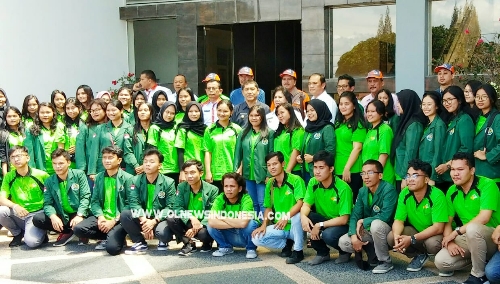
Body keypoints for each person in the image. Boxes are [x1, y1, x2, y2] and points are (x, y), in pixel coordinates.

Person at [434, 152, 500, 283]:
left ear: (472, 170)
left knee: (473, 228)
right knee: (441, 262)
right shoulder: (452, 190)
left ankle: (478, 275)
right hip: (470, 236)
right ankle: (479, 260)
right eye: (452, 169)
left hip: (492, 235)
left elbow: (484, 218)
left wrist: (456, 232)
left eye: (460, 169)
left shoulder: (487, 185)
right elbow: (448, 221)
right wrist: (450, 241)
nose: (455, 173)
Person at [387, 159, 448, 272]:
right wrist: (396, 237)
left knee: (432, 244)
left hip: (436, 235)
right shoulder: (405, 193)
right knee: (392, 236)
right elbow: (399, 220)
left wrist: (411, 239)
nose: (410, 179)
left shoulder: (437, 195)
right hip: (417, 232)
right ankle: (420, 255)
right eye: (408, 175)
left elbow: (438, 227)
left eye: (415, 176)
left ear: (426, 179)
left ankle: (445, 261)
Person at [338, 160, 397, 274]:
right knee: (344, 242)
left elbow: (385, 216)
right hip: (368, 230)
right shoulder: (362, 191)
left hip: (387, 230)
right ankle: (372, 253)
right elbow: (355, 215)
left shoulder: (388, 189)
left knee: (376, 225)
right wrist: (354, 236)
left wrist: (363, 221)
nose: (365, 177)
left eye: (370, 173)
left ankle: (385, 262)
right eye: (363, 173)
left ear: (380, 175)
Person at [73, 146, 134, 255]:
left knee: (112, 249)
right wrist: (101, 217)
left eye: (110, 157)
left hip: (119, 219)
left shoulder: (128, 178)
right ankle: (108, 236)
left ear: (119, 160)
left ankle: (116, 236)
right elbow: (95, 201)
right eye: (104, 157)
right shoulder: (99, 177)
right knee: (78, 229)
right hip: (103, 217)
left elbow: (130, 204)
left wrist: (113, 221)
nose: (106, 160)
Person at [252, 151, 306, 264]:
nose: (272, 167)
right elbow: (268, 208)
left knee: (296, 216)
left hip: (296, 227)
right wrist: (264, 225)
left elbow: (300, 203)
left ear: (283, 164)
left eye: (275, 164)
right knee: (256, 238)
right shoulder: (270, 183)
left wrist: (286, 217)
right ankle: (287, 244)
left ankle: (298, 251)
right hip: (280, 226)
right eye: (269, 165)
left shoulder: (296, 180)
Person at [301, 151, 353, 265]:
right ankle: (322, 253)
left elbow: (344, 219)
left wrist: (319, 225)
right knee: (306, 217)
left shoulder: (343, 188)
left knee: (328, 235)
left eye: (321, 167)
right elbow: (306, 204)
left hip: (343, 225)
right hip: (325, 220)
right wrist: (303, 217)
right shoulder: (313, 182)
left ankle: (344, 252)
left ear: (331, 169)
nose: (317, 171)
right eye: (315, 167)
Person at [120, 148, 176, 254]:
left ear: (159, 165)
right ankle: (139, 241)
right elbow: (134, 202)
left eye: (151, 162)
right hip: (143, 217)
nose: (147, 164)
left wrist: (154, 221)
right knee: (125, 214)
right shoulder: (134, 180)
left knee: (162, 234)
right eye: (145, 161)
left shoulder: (169, 182)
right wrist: (145, 221)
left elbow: (170, 206)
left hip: (159, 217)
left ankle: (163, 240)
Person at [32, 149, 91, 246]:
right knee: (38, 219)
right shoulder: (49, 181)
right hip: (63, 215)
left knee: (90, 219)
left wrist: (80, 215)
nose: (57, 167)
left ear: (68, 162)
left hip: (80, 213)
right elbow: (47, 203)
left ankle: (80, 231)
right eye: (54, 163)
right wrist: (53, 216)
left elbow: (86, 197)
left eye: (61, 163)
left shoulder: (79, 174)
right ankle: (68, 232)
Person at [0, 145, 50, 248]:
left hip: (36, 214)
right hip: (19, 213)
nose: (16, 159)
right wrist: (15, 206)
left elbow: (52, 196)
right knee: (1, 211)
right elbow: (2, 199)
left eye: (19, 156)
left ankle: (41, 231)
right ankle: (17, 233)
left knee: (32, 243)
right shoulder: (9, 177)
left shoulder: (41, 175)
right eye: (12, 157)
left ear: (28, 157)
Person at [166, 160, 219, 256]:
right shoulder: (181, 187)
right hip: (188, 220)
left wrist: (200, 225)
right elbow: (177, 207)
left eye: (192, 172)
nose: (189, 176)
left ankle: (207, 243)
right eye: (186, 173)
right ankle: (189, 243)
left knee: (204, 234)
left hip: (204, 222)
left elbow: (212, 211)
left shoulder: (212, 189)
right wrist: (192, 217)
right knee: (171, 218)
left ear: (201, 173)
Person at [207, 172, 260, 259]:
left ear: (239, 188)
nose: (228, 189)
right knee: (210, 225)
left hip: (245, 235)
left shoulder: (246, 199)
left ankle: (251, 248)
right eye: (226, 186)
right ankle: (225, 247)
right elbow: (211, 221)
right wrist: (236, 222)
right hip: (231, 233)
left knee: (250, 224)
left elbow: (243, 224)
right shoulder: (220, 198)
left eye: (232, 186)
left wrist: (222, 217)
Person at [234, 105, 274, 216]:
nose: (254, 118)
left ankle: (264, 227)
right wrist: (236, 171)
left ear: (262, 117)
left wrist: (269, 174)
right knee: (252, 203)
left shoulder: (269, 133)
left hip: (262, 175)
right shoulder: (243, 133)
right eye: (251, 115)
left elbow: (271, 155)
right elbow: (238, 154)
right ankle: (253, 226)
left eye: (257, 115)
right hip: (247, 175)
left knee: (263, 203)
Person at [435, 86, 474, 190]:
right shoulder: (451, 118)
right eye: (444, 101)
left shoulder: (464, 119)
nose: (447, 103)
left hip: (458, 175)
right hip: (447, 175)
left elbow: (466, 148)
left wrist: (448, 165)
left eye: (450, 99)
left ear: (460, 100)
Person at [87, 100, 133, 181]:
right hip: (103, 168)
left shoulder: (130, 128)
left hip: (123, 168)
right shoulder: (100, 128)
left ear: (121, 111)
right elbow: (94, 150)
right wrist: (92, 171)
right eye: (108, 110)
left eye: (113, 110)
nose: (110, 113)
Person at [334, 91, 367, 201]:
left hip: (351, 170)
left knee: (351, 202)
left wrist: (347, 168)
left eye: (346, 104)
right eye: (341, 104)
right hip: (337, 168)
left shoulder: (358, 124)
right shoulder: (339, 123)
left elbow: (357, 148)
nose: (343, 107)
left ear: (354, 105)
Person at [204, 100, 242, 191]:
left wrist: (240, 168)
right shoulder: (209, 130)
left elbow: (243, 152)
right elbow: (208, 152)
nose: (222, 113)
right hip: (216, 173)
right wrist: (208, 172)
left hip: (233, 172)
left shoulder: (237, 129)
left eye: (225, 111)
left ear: (231, 112)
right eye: (219, 110)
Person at [391, 89, 425, 191]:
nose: (397, 105)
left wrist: (406, 176)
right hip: (399, 172)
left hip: (405, 175)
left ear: (407, 103)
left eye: (399, 102)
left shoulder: (414, 125)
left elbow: (411, 152)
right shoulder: (405, 121)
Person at [297, 100, 335, 184]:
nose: (309, 113)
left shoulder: (327, 128)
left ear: (320, 110)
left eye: (312, 110)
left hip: (320, 173)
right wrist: (302, 157)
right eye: (307, 111)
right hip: (307, 171)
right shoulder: (308, 128)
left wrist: (313, 158)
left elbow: (330, 151)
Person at [25, 102, 66, 175]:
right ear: (38, 113)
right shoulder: (31, 129)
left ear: (53, 113)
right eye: (42, 112)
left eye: (48, 112)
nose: (45, 115)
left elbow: (62, 148)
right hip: (40, 168)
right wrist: (31, 170)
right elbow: (29, 152)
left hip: (58, 167)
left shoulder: (59, 126)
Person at [362, 100, 395, 185]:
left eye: (373, 111)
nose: (369, 114)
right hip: (368, 176)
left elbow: (384, 155)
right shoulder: (370, 130)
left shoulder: (385, 129)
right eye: (368, 111)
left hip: (380, 177)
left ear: (381, 113)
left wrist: (376, 175)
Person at [473, 84, 500, 184]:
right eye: (477, 97)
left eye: (484, 96)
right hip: (478, 174)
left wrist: (488, 156)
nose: (480, 99)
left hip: (492, 175)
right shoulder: (478, 118)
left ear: (492, 98)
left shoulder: (497, 118)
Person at [418, 91, 447, 187]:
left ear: (437, 106)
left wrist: (433, 177)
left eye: (429, 104)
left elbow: (438, 152)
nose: (425, 107)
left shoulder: (439, 125)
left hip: (432, 175)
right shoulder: (428, 124)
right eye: (423, 104)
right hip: (425, 172)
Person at [146, 102, 180, 183]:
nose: (169, 115)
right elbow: (152, 151)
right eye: (167, 112)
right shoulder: (155, 128)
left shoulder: (176, 128)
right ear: (162, 111)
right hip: (162, 169)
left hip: (176, 169)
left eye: (172, 113)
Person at [75, 99, 108, 180]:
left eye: (97, 110)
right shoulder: (86, 127)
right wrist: (81, 170)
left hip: (108, 167)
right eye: (92, 110)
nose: (94, 112)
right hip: (90, 171)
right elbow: (79, 149)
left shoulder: (110, 126)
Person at [176, 102, 207, 183]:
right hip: (188, 168)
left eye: (196, 111)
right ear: (186, 113)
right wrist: (182, 171)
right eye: (190, 111)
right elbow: (180, 152)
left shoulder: (206, 129)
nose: (194, 114)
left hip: (202, 167)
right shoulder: (183, 129)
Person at [273, 103, 305, 176]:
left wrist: (288, 170)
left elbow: (296, 151)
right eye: (278, 114)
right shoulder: (280, 131)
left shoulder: (298, 131)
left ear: (290, 112)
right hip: (279, 171)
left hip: (292, 171)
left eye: (282, 112)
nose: (280, 116)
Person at [124, 103, 153, 175]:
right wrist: (136, 166)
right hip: (133, 170)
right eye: (140, 110)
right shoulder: (129, 130)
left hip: (151, 169)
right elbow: (127, 151)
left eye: (145, 110)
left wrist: (145, 166)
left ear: (151, 112)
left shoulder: (155, 129)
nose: (142, 112)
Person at [0, 107, 25, 176]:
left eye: (14, 116)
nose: (12, 118)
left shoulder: (25, 131)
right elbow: (3, 157)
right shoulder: (3, 134)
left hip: (27, 168)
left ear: (19, 117)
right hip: (12, 170)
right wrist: (5, 174)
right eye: (9, 116)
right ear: (5, 119)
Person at [63, 98, 84, 169]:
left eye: (73, 108)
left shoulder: (85, 123)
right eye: (67, 108)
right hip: (67, 162)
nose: (70, 111)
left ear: (79, 108)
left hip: (82, 161)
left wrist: (78, 147)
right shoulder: (62, 124)